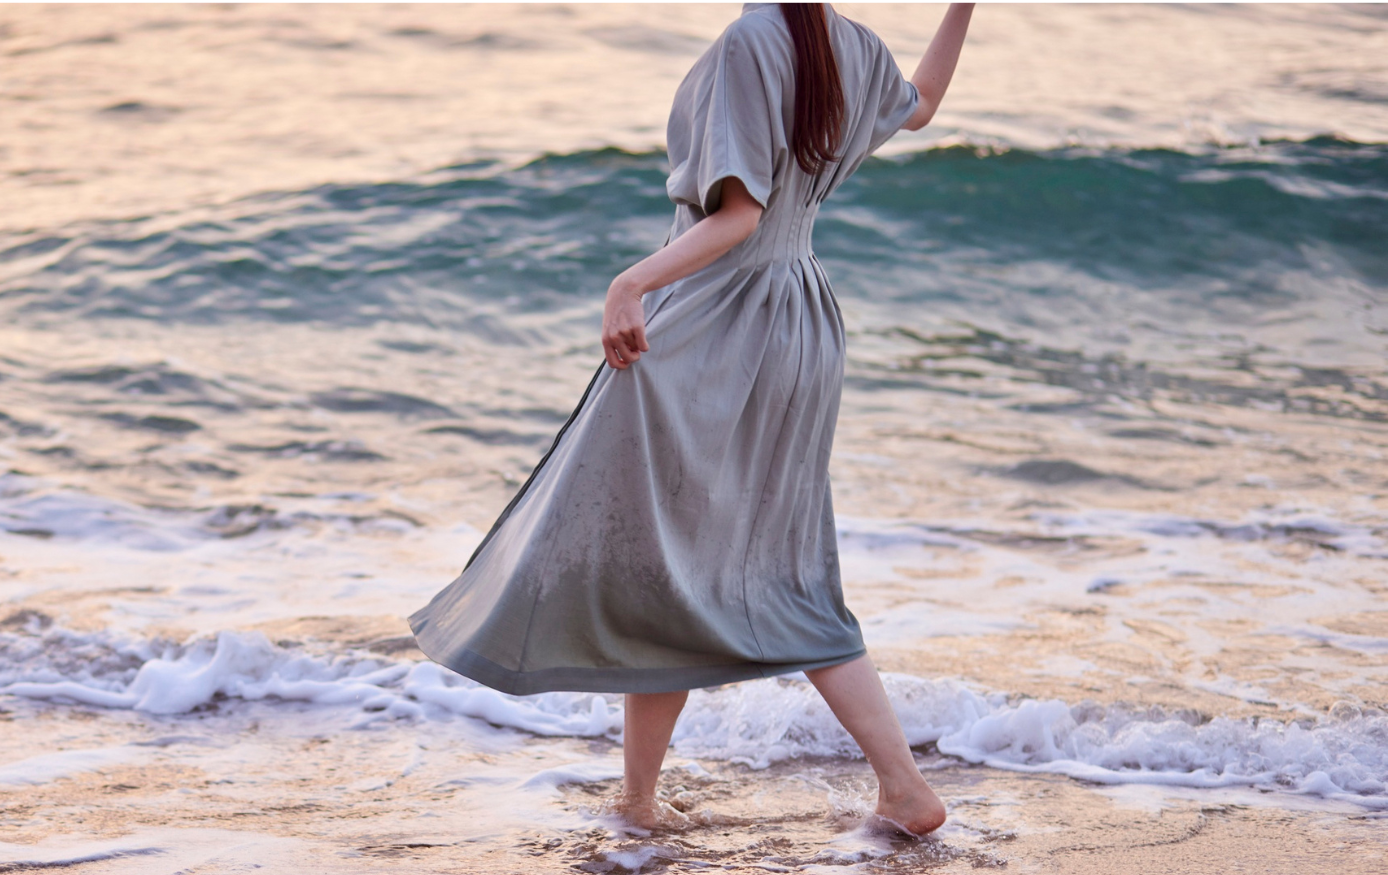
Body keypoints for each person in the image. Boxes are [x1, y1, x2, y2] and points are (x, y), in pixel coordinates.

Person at [409, 2, 974, 835]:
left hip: (718, 321)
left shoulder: (756, 40)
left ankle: (901, 785)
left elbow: (738, 216)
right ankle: (645, 798)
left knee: (670, 554)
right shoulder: (845, 40)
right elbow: (921, 104)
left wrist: (629, 283)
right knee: (686, 562)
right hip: (801, 320)